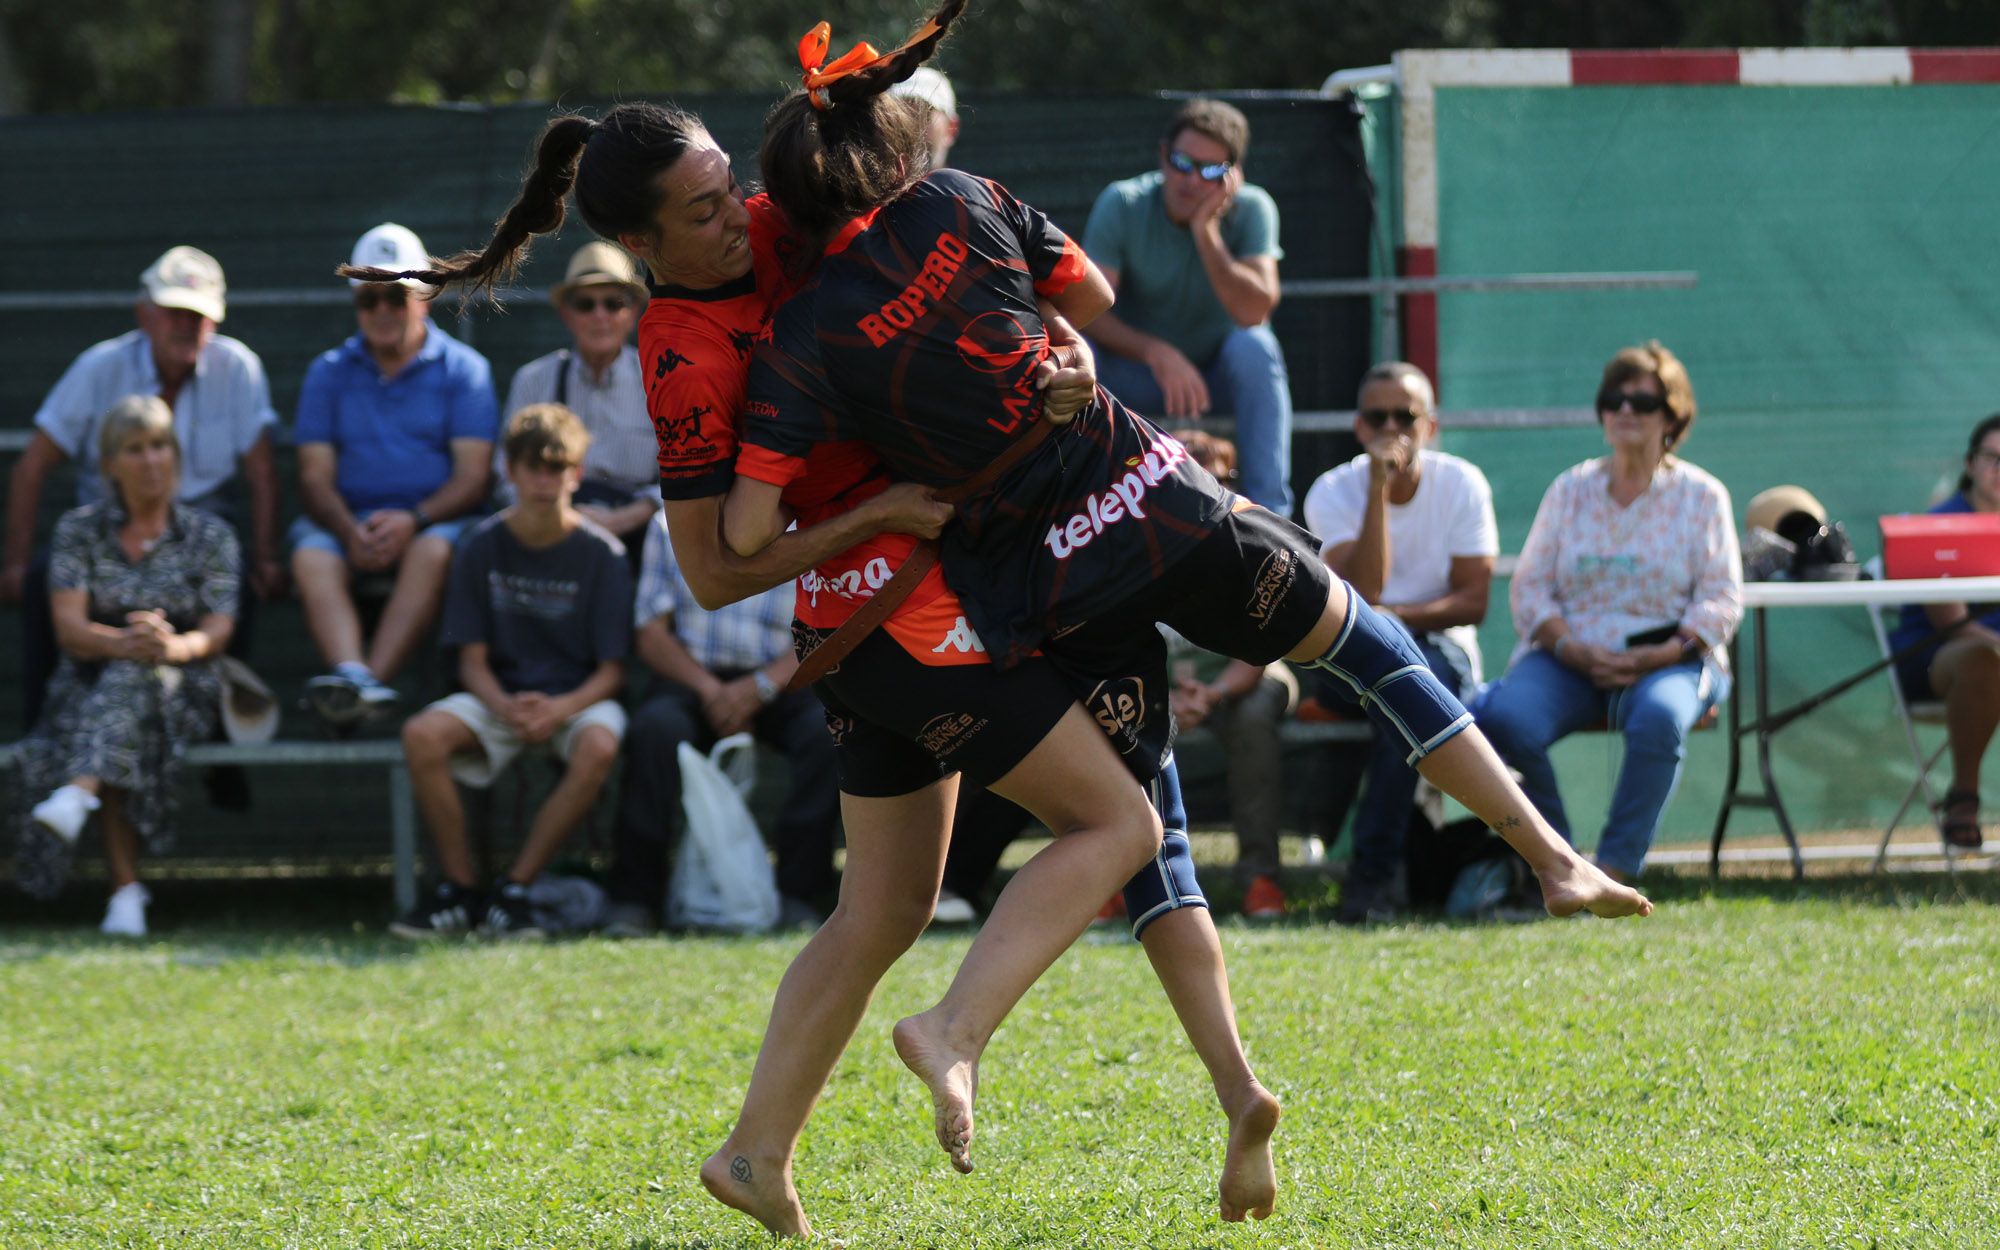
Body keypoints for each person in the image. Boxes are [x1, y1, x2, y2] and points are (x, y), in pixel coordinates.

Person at [739, 3, 1651, 1209]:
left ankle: (1171, 1078)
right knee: (1368, 646)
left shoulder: (798, 333)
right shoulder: (961, 199)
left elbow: (747, 535)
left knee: (1147, 818)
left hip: (1032, 575)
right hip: (1143, 494)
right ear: (893, 153)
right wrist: (1053, 352)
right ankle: (1548, 856)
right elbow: (1090, 288)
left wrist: (877, 500)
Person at [345, 83, 1281, 1237]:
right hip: (898, 620)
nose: (738, 214)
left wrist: (1067, 358)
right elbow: (714, 569)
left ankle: (754, 1150)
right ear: (640, 247)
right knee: (1121, 827)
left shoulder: (777, 221)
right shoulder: (682, 355)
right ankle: (957, 1035)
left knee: (879, 908)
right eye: (701, 210)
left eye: (727, 181)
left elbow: (986, 282)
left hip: (881, 629)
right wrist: (874, 510)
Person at [1473, 342, 1742, 881]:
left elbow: (1722, 598)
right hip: (1568, 655)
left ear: (1672, 417)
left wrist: (1660, 655)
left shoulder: (1702, 496)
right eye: (1614, 399)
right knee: (1504, 720)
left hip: (1671, 657)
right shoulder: (1570, 489)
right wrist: (1571, 648)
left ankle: (1617, 871)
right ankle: (1561, 866)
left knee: (1661, 719)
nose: (1625, 411)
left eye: (1643, 402)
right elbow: (1529, 589)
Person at [3, 245, 278, 728]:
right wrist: (16, 562)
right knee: (42, 578)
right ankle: (41, 729)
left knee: (243, 578)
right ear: (144, 314)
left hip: (203, 537)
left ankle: (226, 735)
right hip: (105, 537)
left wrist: (267, 555)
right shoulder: (98, 368)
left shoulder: (239, 369)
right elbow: (31, 466)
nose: (185, 326)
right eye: (174, 313)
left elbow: (262, 473)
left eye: (198, 316)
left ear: (215, 321)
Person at [391, 404, 631, 940]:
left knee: (600, 744)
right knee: (421, 735)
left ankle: (515, 890)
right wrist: (505, 706)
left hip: (575, 699)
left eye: (556, 467)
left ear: (578, 473)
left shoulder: (605, 555)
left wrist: (559, 709)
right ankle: (460, 890)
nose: (544, 480)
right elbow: (470, 660)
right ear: (509, 470)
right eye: (532, 466)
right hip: (497, 695)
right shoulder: (480, 544)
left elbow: (613, 672)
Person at [11, 396, 239, 936]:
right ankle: (124, 891)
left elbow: (218, 629)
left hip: (186, 685)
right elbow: (68, 628)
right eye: (135, 449)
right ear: (109, 464)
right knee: (122, 697)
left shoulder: (211, 536)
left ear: (176, 455)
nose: (151, 460)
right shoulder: (78, 531)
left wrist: (170, 648)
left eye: (160, 445)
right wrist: (129, 643)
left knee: (133, 685)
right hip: (86, 681)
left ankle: (81, 802)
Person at [1302, 360, 1498, 924]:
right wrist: (1377, 490)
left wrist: (1393, 621)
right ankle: (1375, 881)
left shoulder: (1461, 483)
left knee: (1403, 699)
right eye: (1377, 417)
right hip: (1347, 657)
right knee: (1399, 696)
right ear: (1360, 428)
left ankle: (1374, 880)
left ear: (1429, 426)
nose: (1392, 430)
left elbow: (1473, 601)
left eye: (1405, 416)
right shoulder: (1334, 491)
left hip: (1441, 651)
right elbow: (1364, 590)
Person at [292, 222, 500, 727]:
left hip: (433, 525)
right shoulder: (327, 371)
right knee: (310, 555)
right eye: (369, 300)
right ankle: (355, 677)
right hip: (348, 525)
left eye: (394, 297)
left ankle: (363, 686)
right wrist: (349, 530)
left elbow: (474, 478)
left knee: (433, 551)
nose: (382, 311)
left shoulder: (464, 370)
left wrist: (414, 519)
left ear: (422, 297)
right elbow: (314, 476)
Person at [605, 512, 839, 935]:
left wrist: (762, 686)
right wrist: (711, 690)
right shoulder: (668, 524)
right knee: (654, 731)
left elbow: (825, 628)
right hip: (690, 679)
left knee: (825, 734)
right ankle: (634, 899)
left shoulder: (810, 525)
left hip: (782, 680)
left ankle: (799, 894)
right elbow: (651, 633)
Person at [1080, 98, 1294, 514]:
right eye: (1182, 162)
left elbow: (1254, 313)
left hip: (1217, 380)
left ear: (1232, 176)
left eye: (1210, 170)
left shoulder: (1253, 208)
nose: (1191, 180)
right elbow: (1089, 309)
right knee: (1083, 360)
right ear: (1163, 155)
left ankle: (1274, 516)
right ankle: (1089, 511)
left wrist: (1205, 230)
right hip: (1138, 379)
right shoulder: (1123, 202)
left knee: (1256, 347)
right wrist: (1156, 353)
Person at [1162, 430, 1300, 920]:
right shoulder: (1132, 543)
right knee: (1116, 718)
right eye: (1186, 479)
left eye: (1217, 480)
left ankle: (1260, 880)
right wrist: (1164, 698)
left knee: (1256, 713)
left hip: (1241, 677)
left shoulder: (1250, 540)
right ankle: (1126, 884)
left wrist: (1212, 694)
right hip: (1157, 687)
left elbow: (1258, 653)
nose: (1202, 492)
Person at [494, 241, 660, 554]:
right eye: (586, 304)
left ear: (633, 312)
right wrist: (555, 517)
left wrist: (623, 519)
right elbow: (505, 471)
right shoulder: (533, 381)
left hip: (641, 535)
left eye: (613, 303)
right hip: (547, 529)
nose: (600, 315)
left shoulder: (658, 381)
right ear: (566, 314)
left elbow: (682, 480)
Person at [1887, 413, 2000, 848]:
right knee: (1980, 660)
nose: (1999, 470)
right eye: (1992, 458)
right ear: (1970, 464)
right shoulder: (1940, 524)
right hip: (1936, 659)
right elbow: (1954, 625)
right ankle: (1963, 799)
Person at [889, 65, 957, 167]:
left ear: (951, 129)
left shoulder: (976, 183)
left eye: (923, 116)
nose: (909, 128)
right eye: (899, 116)